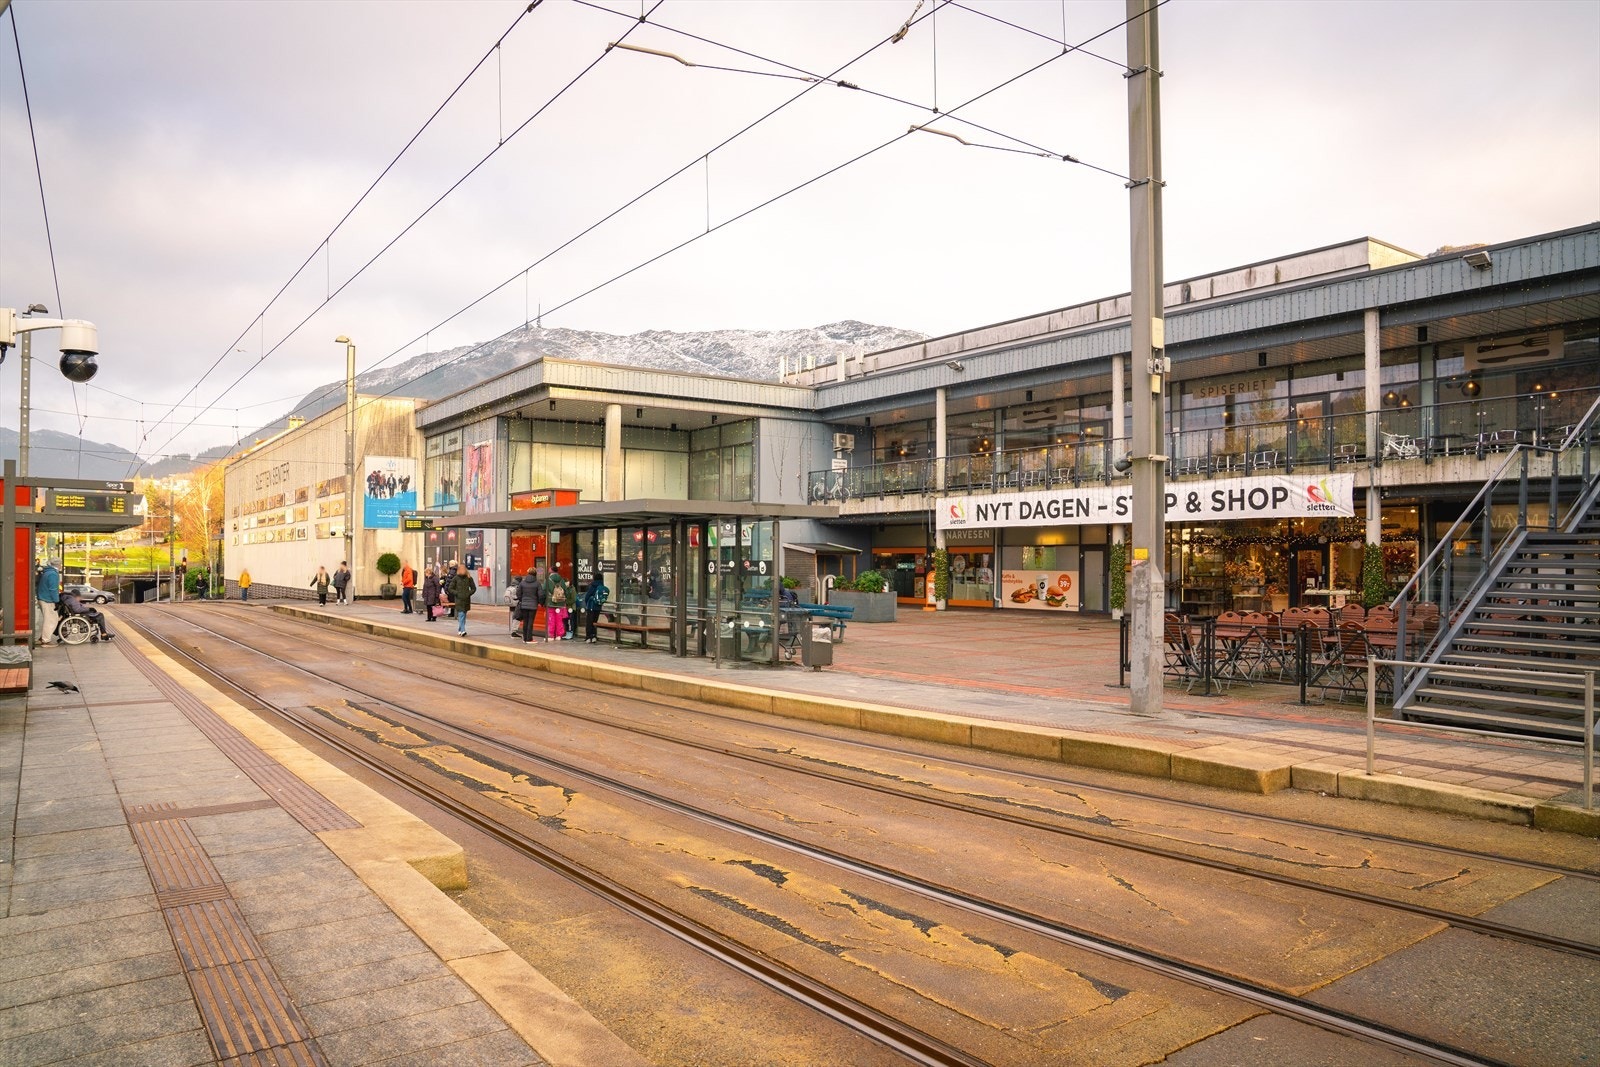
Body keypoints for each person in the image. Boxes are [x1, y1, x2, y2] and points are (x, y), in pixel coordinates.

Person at [34, 559, 61, 645]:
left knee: (45, 620)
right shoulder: (53, 574)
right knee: (51, 620)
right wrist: (56, 601)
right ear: (58, 565)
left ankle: (41, 638)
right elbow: (53, 589)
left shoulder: (47, 572)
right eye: (60, 564)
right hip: (48, 599)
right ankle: (46, 640)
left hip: (42, 597)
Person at [543, 569, 573, 640]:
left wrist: (544, 602)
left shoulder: (548, 580)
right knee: (559, 620)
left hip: (551, 603)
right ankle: (559, 635)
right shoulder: (562, 580)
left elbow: (544, 590)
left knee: (551, 619)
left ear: (551, 571)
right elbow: (566, 591)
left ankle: (551, 636)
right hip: (560, 603)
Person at [515, 568, 544, 642]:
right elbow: (541, 595)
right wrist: (540, 602)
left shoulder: (522, 583)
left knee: (525, 621)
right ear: (535, 574)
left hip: (524, 605)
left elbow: (518, 593)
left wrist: (522, 600)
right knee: (530, 622)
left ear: (528, 573)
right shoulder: (537, 583)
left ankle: (525, 638)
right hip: (533, 605)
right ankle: (529, 638)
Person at [447, 562, 476, 637]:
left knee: (463, 615)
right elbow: (450, 588)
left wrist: (468, 593)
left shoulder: (469, 578)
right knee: (461, 614)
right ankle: (463, 630)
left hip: (466, 599)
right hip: (459, 599)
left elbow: (473, 588)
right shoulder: (456, 578)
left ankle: (460, 629)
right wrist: (457, 593)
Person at [581, 576, 609, 643]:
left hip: (591, 606)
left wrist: (587, 604)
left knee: (589, 622)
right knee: (594, 622)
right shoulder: (602, 586)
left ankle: (588, 637)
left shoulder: (593, 586)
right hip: (598, 607)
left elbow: (587, 596)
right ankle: (594, 636)